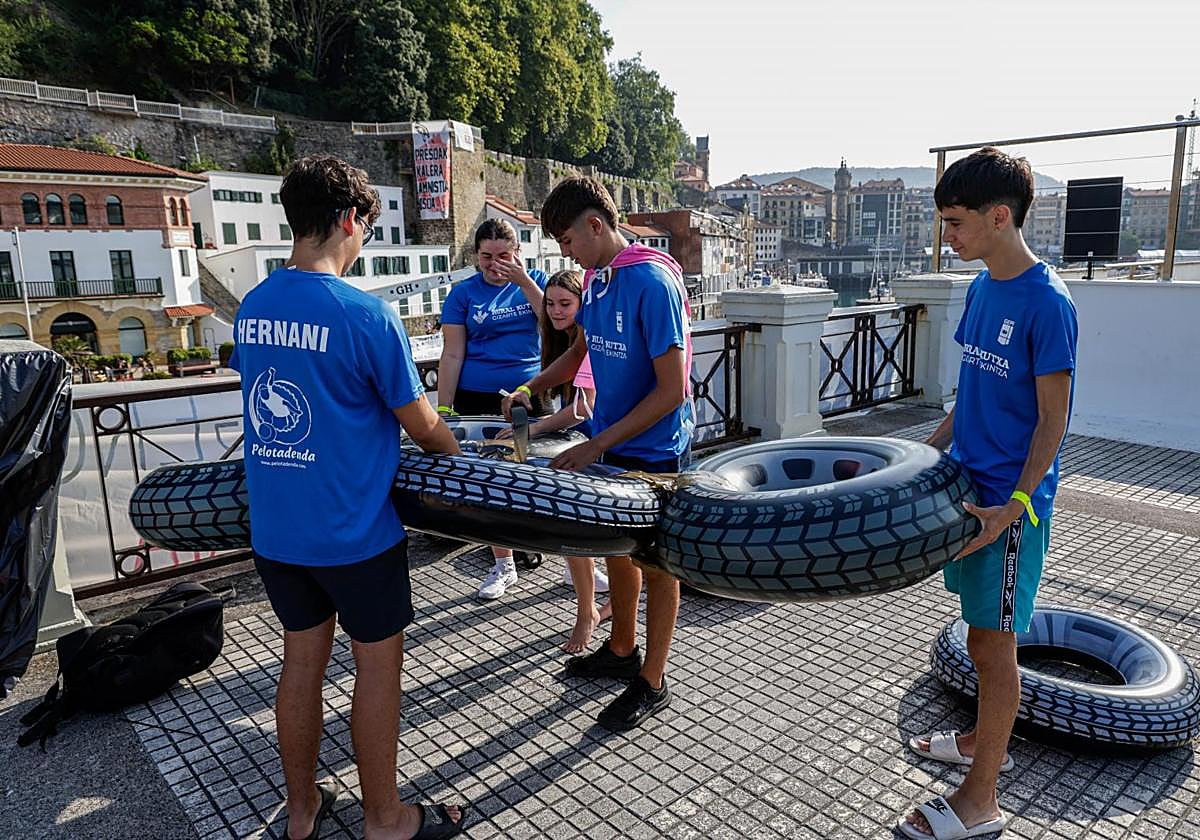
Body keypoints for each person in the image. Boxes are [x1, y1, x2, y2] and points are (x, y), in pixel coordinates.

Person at [230, 154, 466, 840]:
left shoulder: (253, 307)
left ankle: (302, 813)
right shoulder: (366, 315)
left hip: (277, 531)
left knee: (300, 661)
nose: (363, 240)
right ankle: (385, 818)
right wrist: (460, 459)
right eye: (364, 226)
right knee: (376, 669)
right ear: (345, 221)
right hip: (355, 534)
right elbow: (420, 422)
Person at [899, 147, 1077, 840]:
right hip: (967, 490)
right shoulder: (981, 289)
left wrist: (1017, 508)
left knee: (994, 645)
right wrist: (923, 452)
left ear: (999, 217)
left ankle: (982, 801)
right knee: (978, 637)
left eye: (956, 222)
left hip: (1007, 509)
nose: (948, 235)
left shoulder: (1048, 302)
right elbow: (971, 394)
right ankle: (978, 739)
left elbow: (1055, 420)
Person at [503, 176, 694, 731]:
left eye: (567, 240)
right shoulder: (598, 277)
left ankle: (653, 681)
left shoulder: (652, 282)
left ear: (595, 224)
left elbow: (671, 391)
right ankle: (621, 650)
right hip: (613, 443)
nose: (565, 253)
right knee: (618, 549)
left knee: (659, 566)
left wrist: (596, 445)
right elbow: (582, 351)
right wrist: (531, 388)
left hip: (656, 450)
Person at [498, 268, 611, 652]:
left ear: (583, 304)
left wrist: (533, 430)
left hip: (604, 443)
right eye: (550, 303)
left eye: (566, 303)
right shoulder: (565, 340)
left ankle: (593, 610)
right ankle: (592, 607)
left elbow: (583, 409)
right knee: (576, 532)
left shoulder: (589, 340)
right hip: (595, 440)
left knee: (584, 532)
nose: (557, 310)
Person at [437, 219, 547, 600]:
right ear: (476, 256)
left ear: (517, 253)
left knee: (536, 474)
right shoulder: (463, 293)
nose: (494, 263)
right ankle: (504, 563)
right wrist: (445, 408)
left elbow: (556, 327)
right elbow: (452, 353)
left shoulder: (536, 281)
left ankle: (548, 548)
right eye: (486, 256)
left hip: (527, 393)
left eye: (503, 255)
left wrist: (524, 282)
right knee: (486, 481)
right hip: (476, 395)